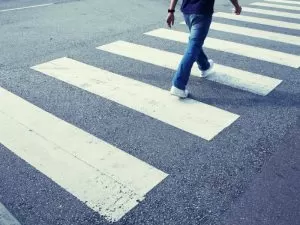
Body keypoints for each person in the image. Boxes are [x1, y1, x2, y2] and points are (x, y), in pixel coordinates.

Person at [166, 0, 242, 98]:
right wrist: (237, 6)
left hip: (187, 12)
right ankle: (178, 85)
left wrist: (171, 11)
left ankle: (204, 66)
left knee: (195, 43)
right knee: (193, 46)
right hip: (202, 12)